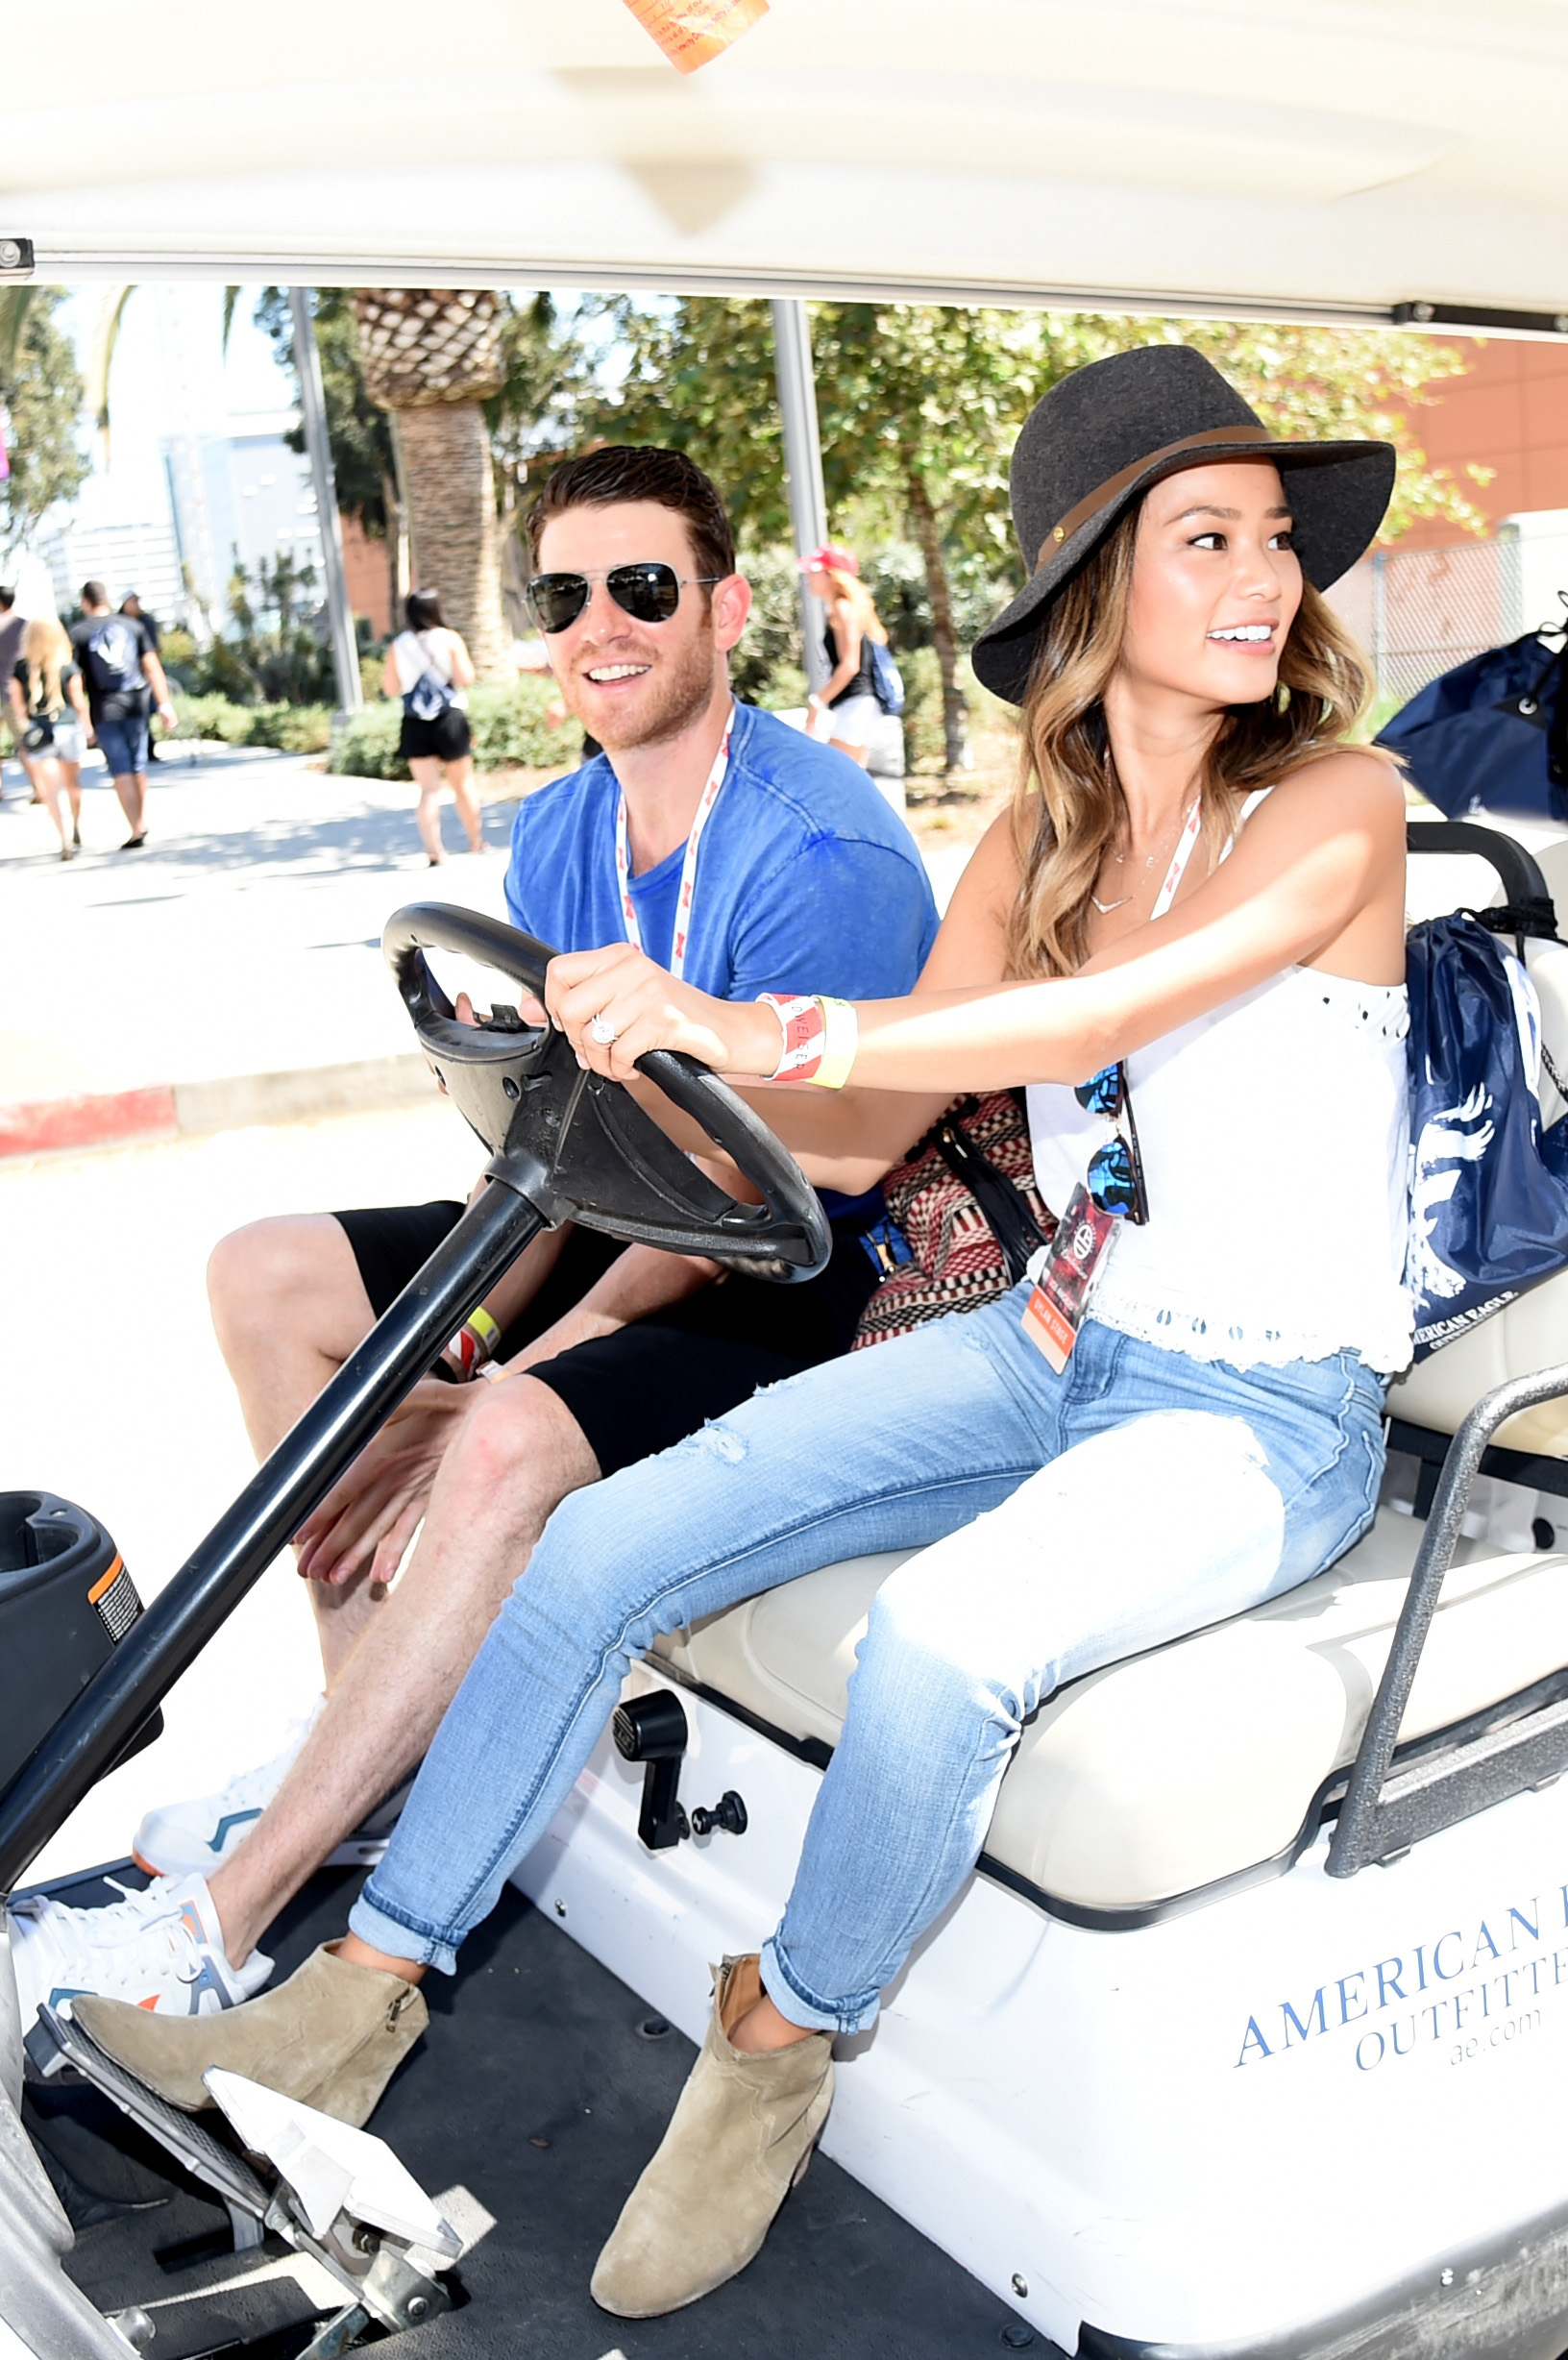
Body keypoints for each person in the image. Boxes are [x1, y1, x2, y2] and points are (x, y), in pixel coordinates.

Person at [62, 344, 1410, 2314]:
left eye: (1274, 539)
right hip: (1056, 1344)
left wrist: (758, 1023)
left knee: (944, 1646)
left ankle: (779, 2037)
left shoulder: (1339, 804)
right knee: (590, 1536)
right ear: (1097, 580)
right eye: (1208, 536)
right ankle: (348, 2004)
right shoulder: (1040, 838)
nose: (1266, 576)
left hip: (1261, 1411)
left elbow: (1085, 1027)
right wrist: (639, 1082)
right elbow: (863, 1130)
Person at [9, 445, 938, 2024]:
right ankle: (366, 1744)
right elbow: (556, 1145)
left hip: (809, 1268)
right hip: (627, 1204)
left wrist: (486, 1400)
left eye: (642, 587)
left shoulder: (816, 848)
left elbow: (738, 1199)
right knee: (269, 1274)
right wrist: (446, 1347)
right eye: (564, 593)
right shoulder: (569, 829)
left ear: (719, 608)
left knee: (499, 1441)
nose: (601, 624)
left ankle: (234, 1916)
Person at [70, 581, 176, 849]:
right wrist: (164, 704)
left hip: (105, 710)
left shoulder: (79, 633)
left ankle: (136, 827)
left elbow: (75, 682)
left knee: (120, 769)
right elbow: (152, 668)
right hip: (137, 704)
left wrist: (84, 721)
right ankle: (141, 821)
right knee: (138, 765)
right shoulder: (133, 626)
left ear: (85, 602)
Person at [382, 589, 484, 863]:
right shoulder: (449, 638)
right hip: (450, 718)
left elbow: (390, 688)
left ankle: (434, 850)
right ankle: (476, 841)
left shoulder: (398, 645)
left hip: (415, 723)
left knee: (428, 791)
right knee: (463, 784)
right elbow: (467, 676)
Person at [802, 542, 904, 782]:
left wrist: (817, 702)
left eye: (815, 571)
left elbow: (850, 665)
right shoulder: (845, 609)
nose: (809, 577)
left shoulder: (843, 610)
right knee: (852, 780)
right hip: (859, 707)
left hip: (856, 706)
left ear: (831, 575)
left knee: (830, 778)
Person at [7, 617, 92, 859]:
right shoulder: (68, 666)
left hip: (40, 733)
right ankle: (75, 824)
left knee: (50, 791)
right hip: (68, 728)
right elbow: (79, 704)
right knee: (73, 786)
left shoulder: (21, 669)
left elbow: (19, 708)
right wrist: (88, 729)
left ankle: (63, 836)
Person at [120, 594, 163, 763]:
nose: (137, 604)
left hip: (145, 676)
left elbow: (154, 650)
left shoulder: (146, 622)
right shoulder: (119, 622)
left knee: (145, 713)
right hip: (124, 679)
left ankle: (148, 750)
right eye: (133, 601)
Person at [0, 585, 30, 794]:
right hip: (18, 690)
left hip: (4, 688)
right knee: (26, 742)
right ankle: (40, 789)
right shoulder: (25, 626)